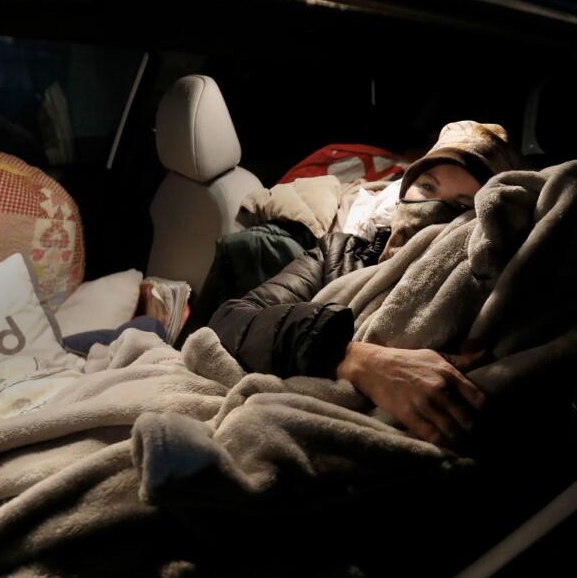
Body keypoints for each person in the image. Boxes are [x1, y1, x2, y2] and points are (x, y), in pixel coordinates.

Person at [209, 120, 523, 447]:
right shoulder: (342, 253)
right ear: (405, 189)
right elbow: (232, 319)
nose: (433, 208)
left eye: (461, 206)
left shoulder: (484, 285)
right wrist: (352, 358)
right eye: (428, 187)